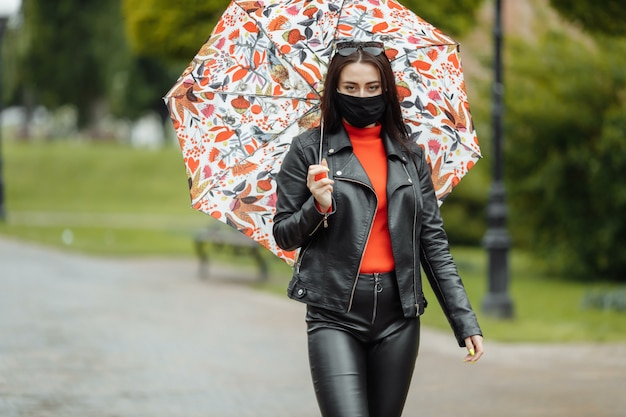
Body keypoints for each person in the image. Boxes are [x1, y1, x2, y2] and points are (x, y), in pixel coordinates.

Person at [272, 40, 484, 417]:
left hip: (398, 316)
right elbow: (285, 234)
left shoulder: (409, 155)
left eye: (372, 88)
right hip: (334, 313)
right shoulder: (308, 151)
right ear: (334, 91)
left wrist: (464, 320)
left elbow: (432, 241)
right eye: (350, 88)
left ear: (386, 90)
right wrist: (317, 206)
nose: (362, 96)